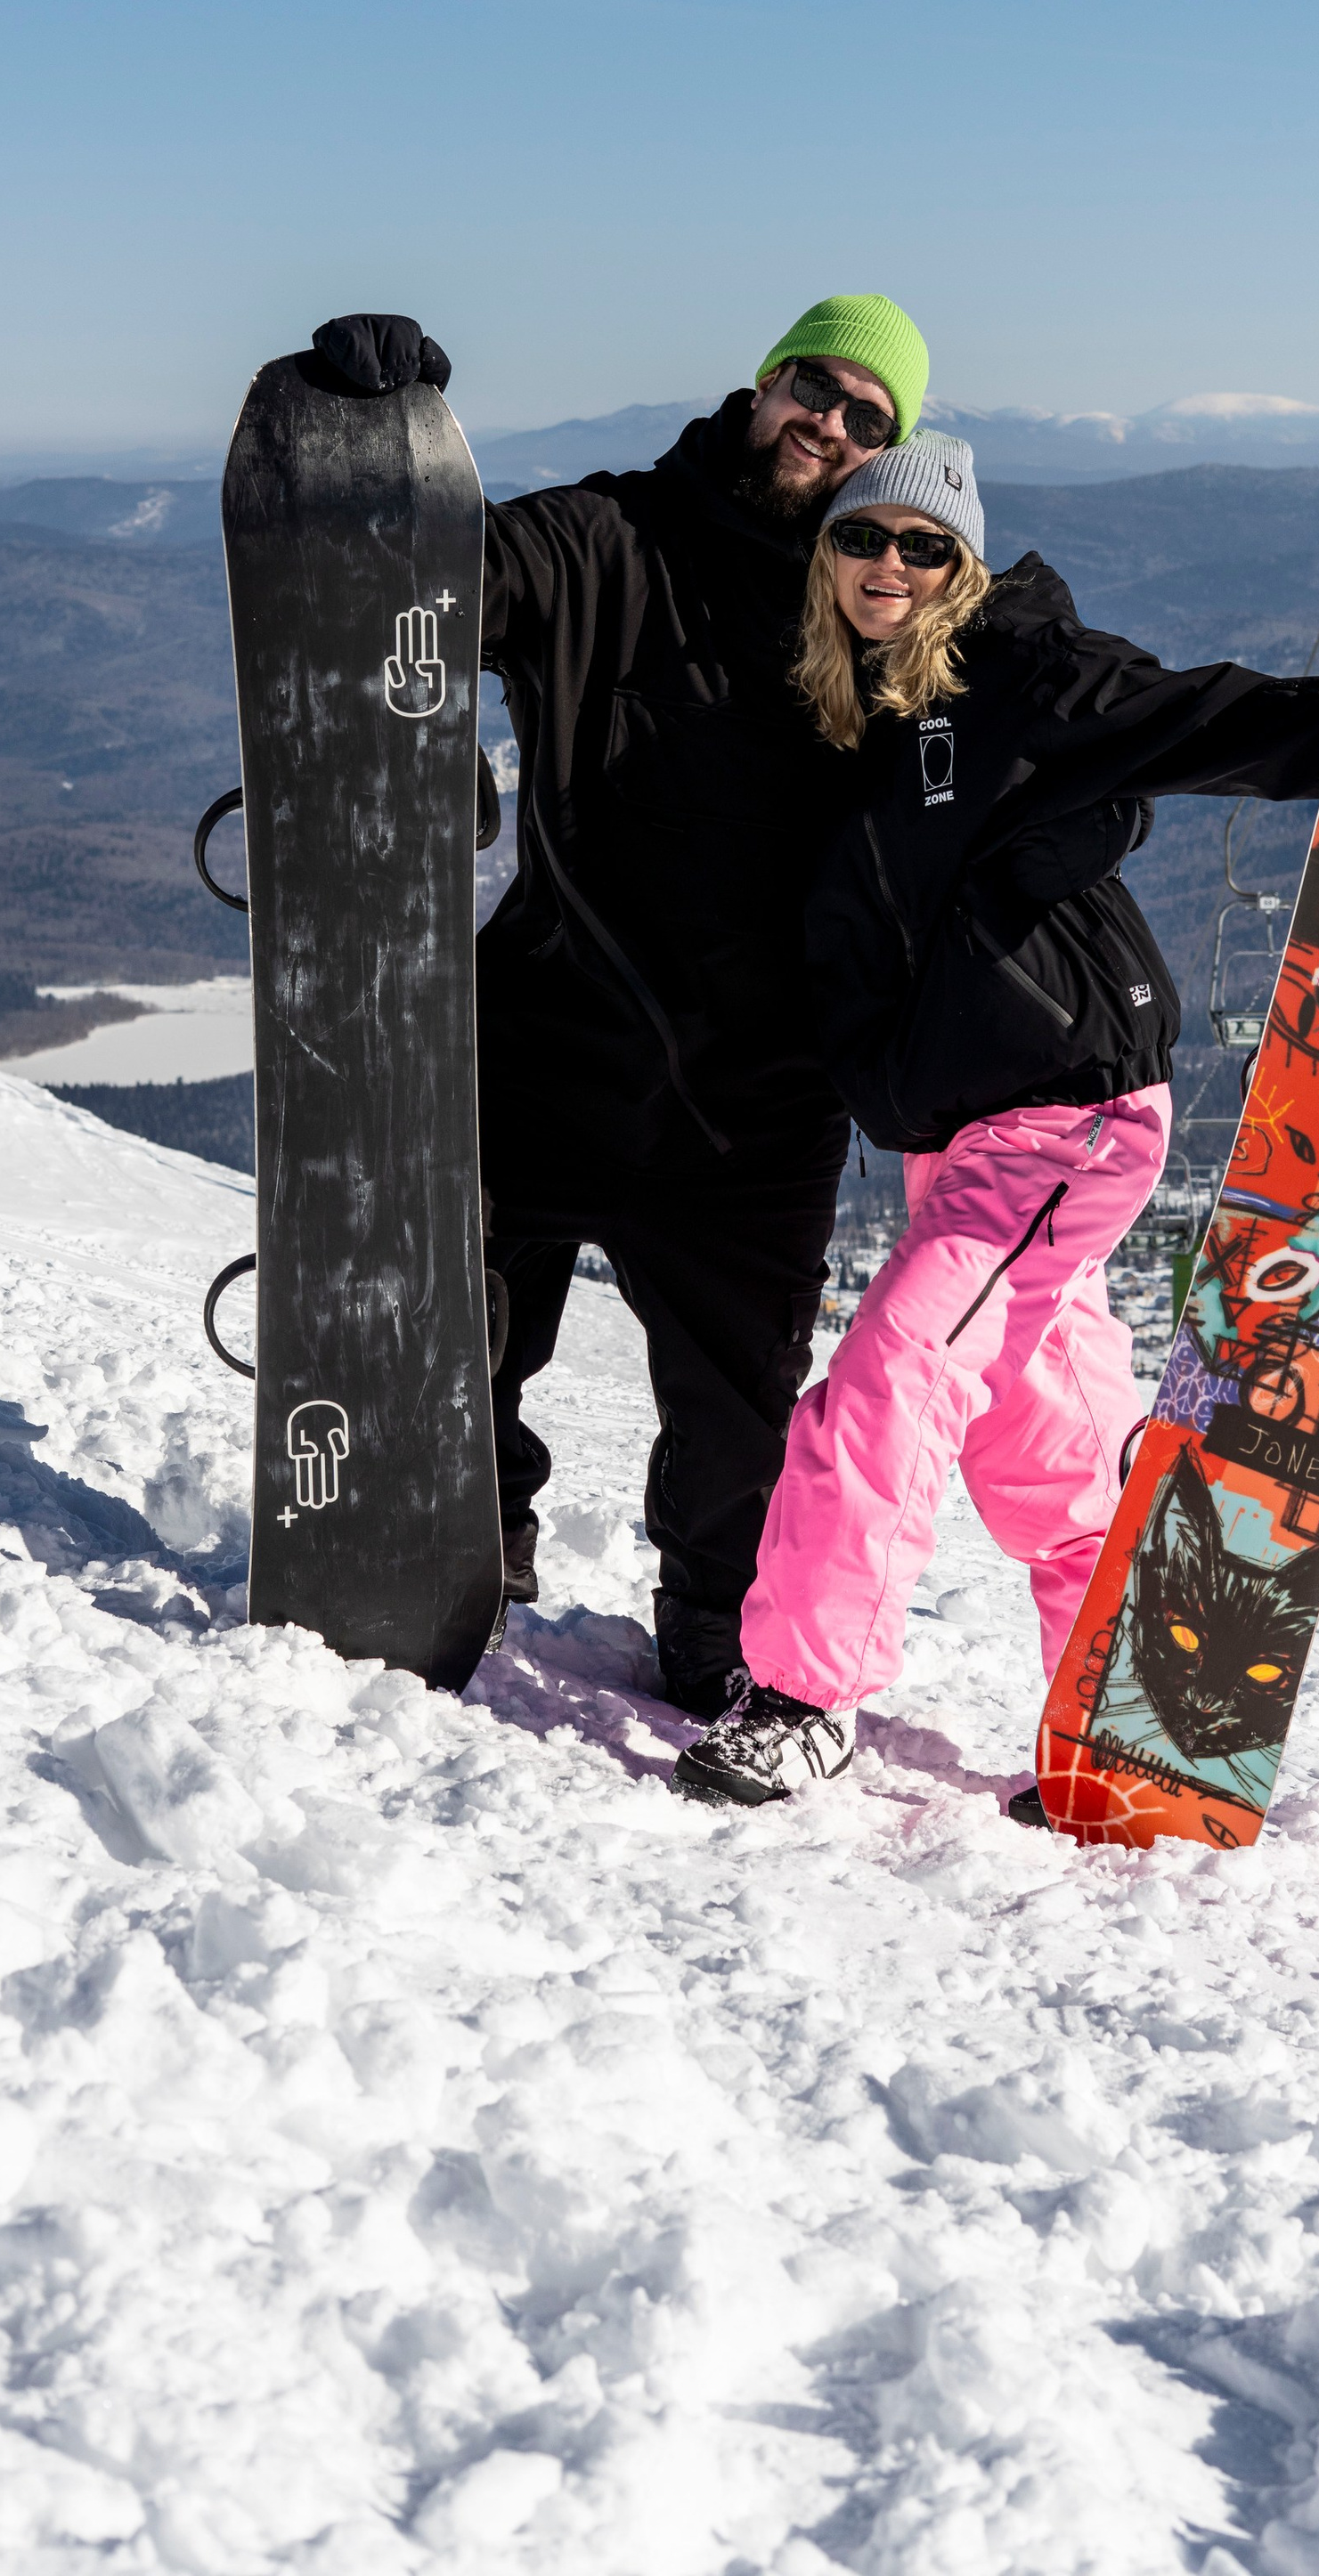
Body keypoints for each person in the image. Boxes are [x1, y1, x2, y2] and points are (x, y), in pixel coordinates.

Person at [673, 437, 1319, 1808]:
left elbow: (1211, 720)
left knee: (897, 1373)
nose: (890, 568)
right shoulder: (842, 715)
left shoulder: (1019, 677)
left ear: (963, 565)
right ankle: (1129, 1710)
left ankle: (803, 1697)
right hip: (959, 1138)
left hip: (1060, 1120)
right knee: (1040, 1446)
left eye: (925, 547)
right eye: (864, 541)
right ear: (826, 559)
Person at [308, 295, 932, 1718]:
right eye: (814, 387)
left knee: (737, 1427)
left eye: (865, 419)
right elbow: (421, 581)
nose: (828, 423)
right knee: (454, 1339)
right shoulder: (609, 538)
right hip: (543, 1043)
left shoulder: (883, 596)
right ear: (763, 382)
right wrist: (366, 432)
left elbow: (1060, 698)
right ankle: (472, 1547)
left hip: (756, 1111)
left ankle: (713, 1633)